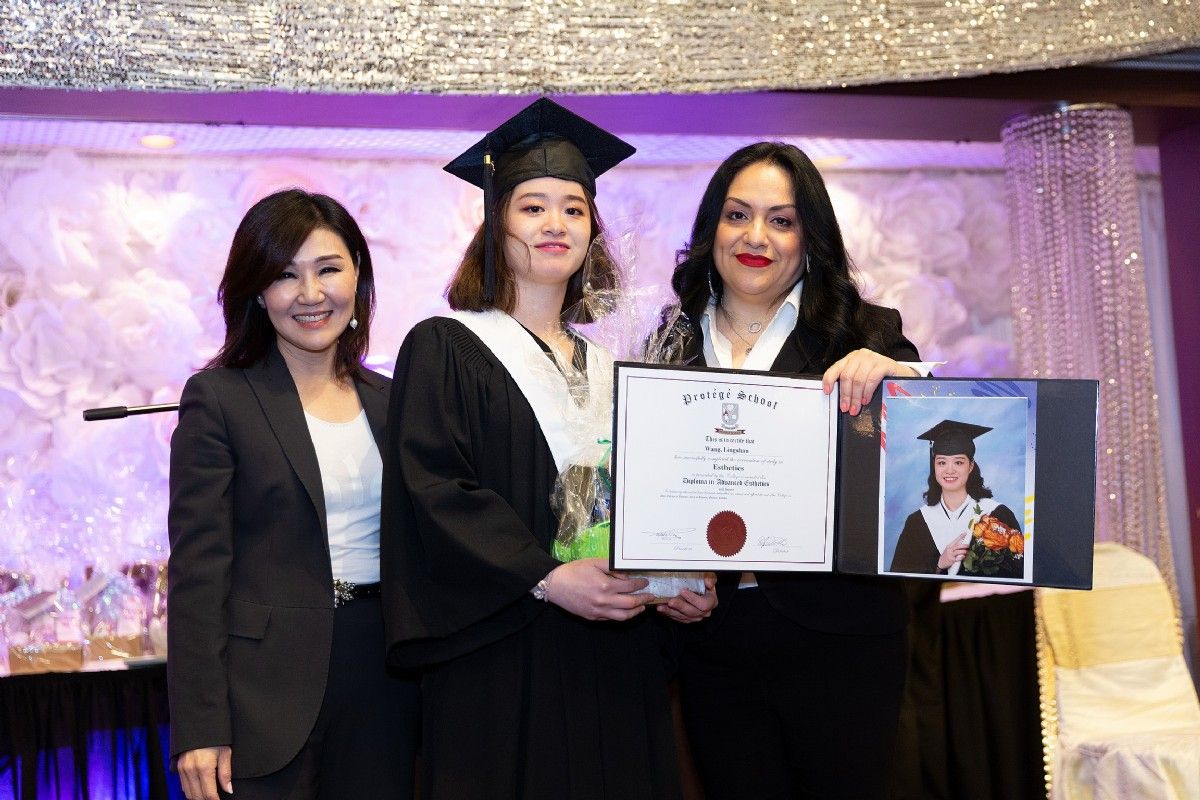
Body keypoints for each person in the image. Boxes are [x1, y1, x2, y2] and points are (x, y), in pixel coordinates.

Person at [380, 98, 715, 800]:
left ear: (593, 230)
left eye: (574, 208)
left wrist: (682, 577)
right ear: (495, 224)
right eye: (532, 207)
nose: (555, 223)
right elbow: (434, 490)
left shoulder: (615, 367)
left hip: (616, 658)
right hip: (503, 659)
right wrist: (546, 576)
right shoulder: (447, 347)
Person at [668, 142, 934, 799]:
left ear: (809, 238)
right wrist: (662, 577)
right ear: (711, 228)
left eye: (781, 220)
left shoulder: (863, 330)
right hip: (711, 640)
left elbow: (929, 449)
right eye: (737, 215)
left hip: (842, 636)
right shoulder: (666, 342)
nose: (756, 237)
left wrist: (898, 376)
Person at [167, 189, 418, 800]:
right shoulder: (219, 399)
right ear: (257, 292)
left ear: (357, 276)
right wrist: (200, 726)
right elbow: (198, 574)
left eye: (328, 269)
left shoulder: (395, 402)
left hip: (385, 677)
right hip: (264, 690)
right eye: (285, 275)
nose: (310, 294)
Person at [890, 419, 1024, 578]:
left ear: (971, 466)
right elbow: (899, 581)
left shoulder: (997, 514)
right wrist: (938, 565)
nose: (949, 470)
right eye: (941, 462)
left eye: (958, 462)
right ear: (934, 466)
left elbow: (1019, 573)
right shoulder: (917, 523)